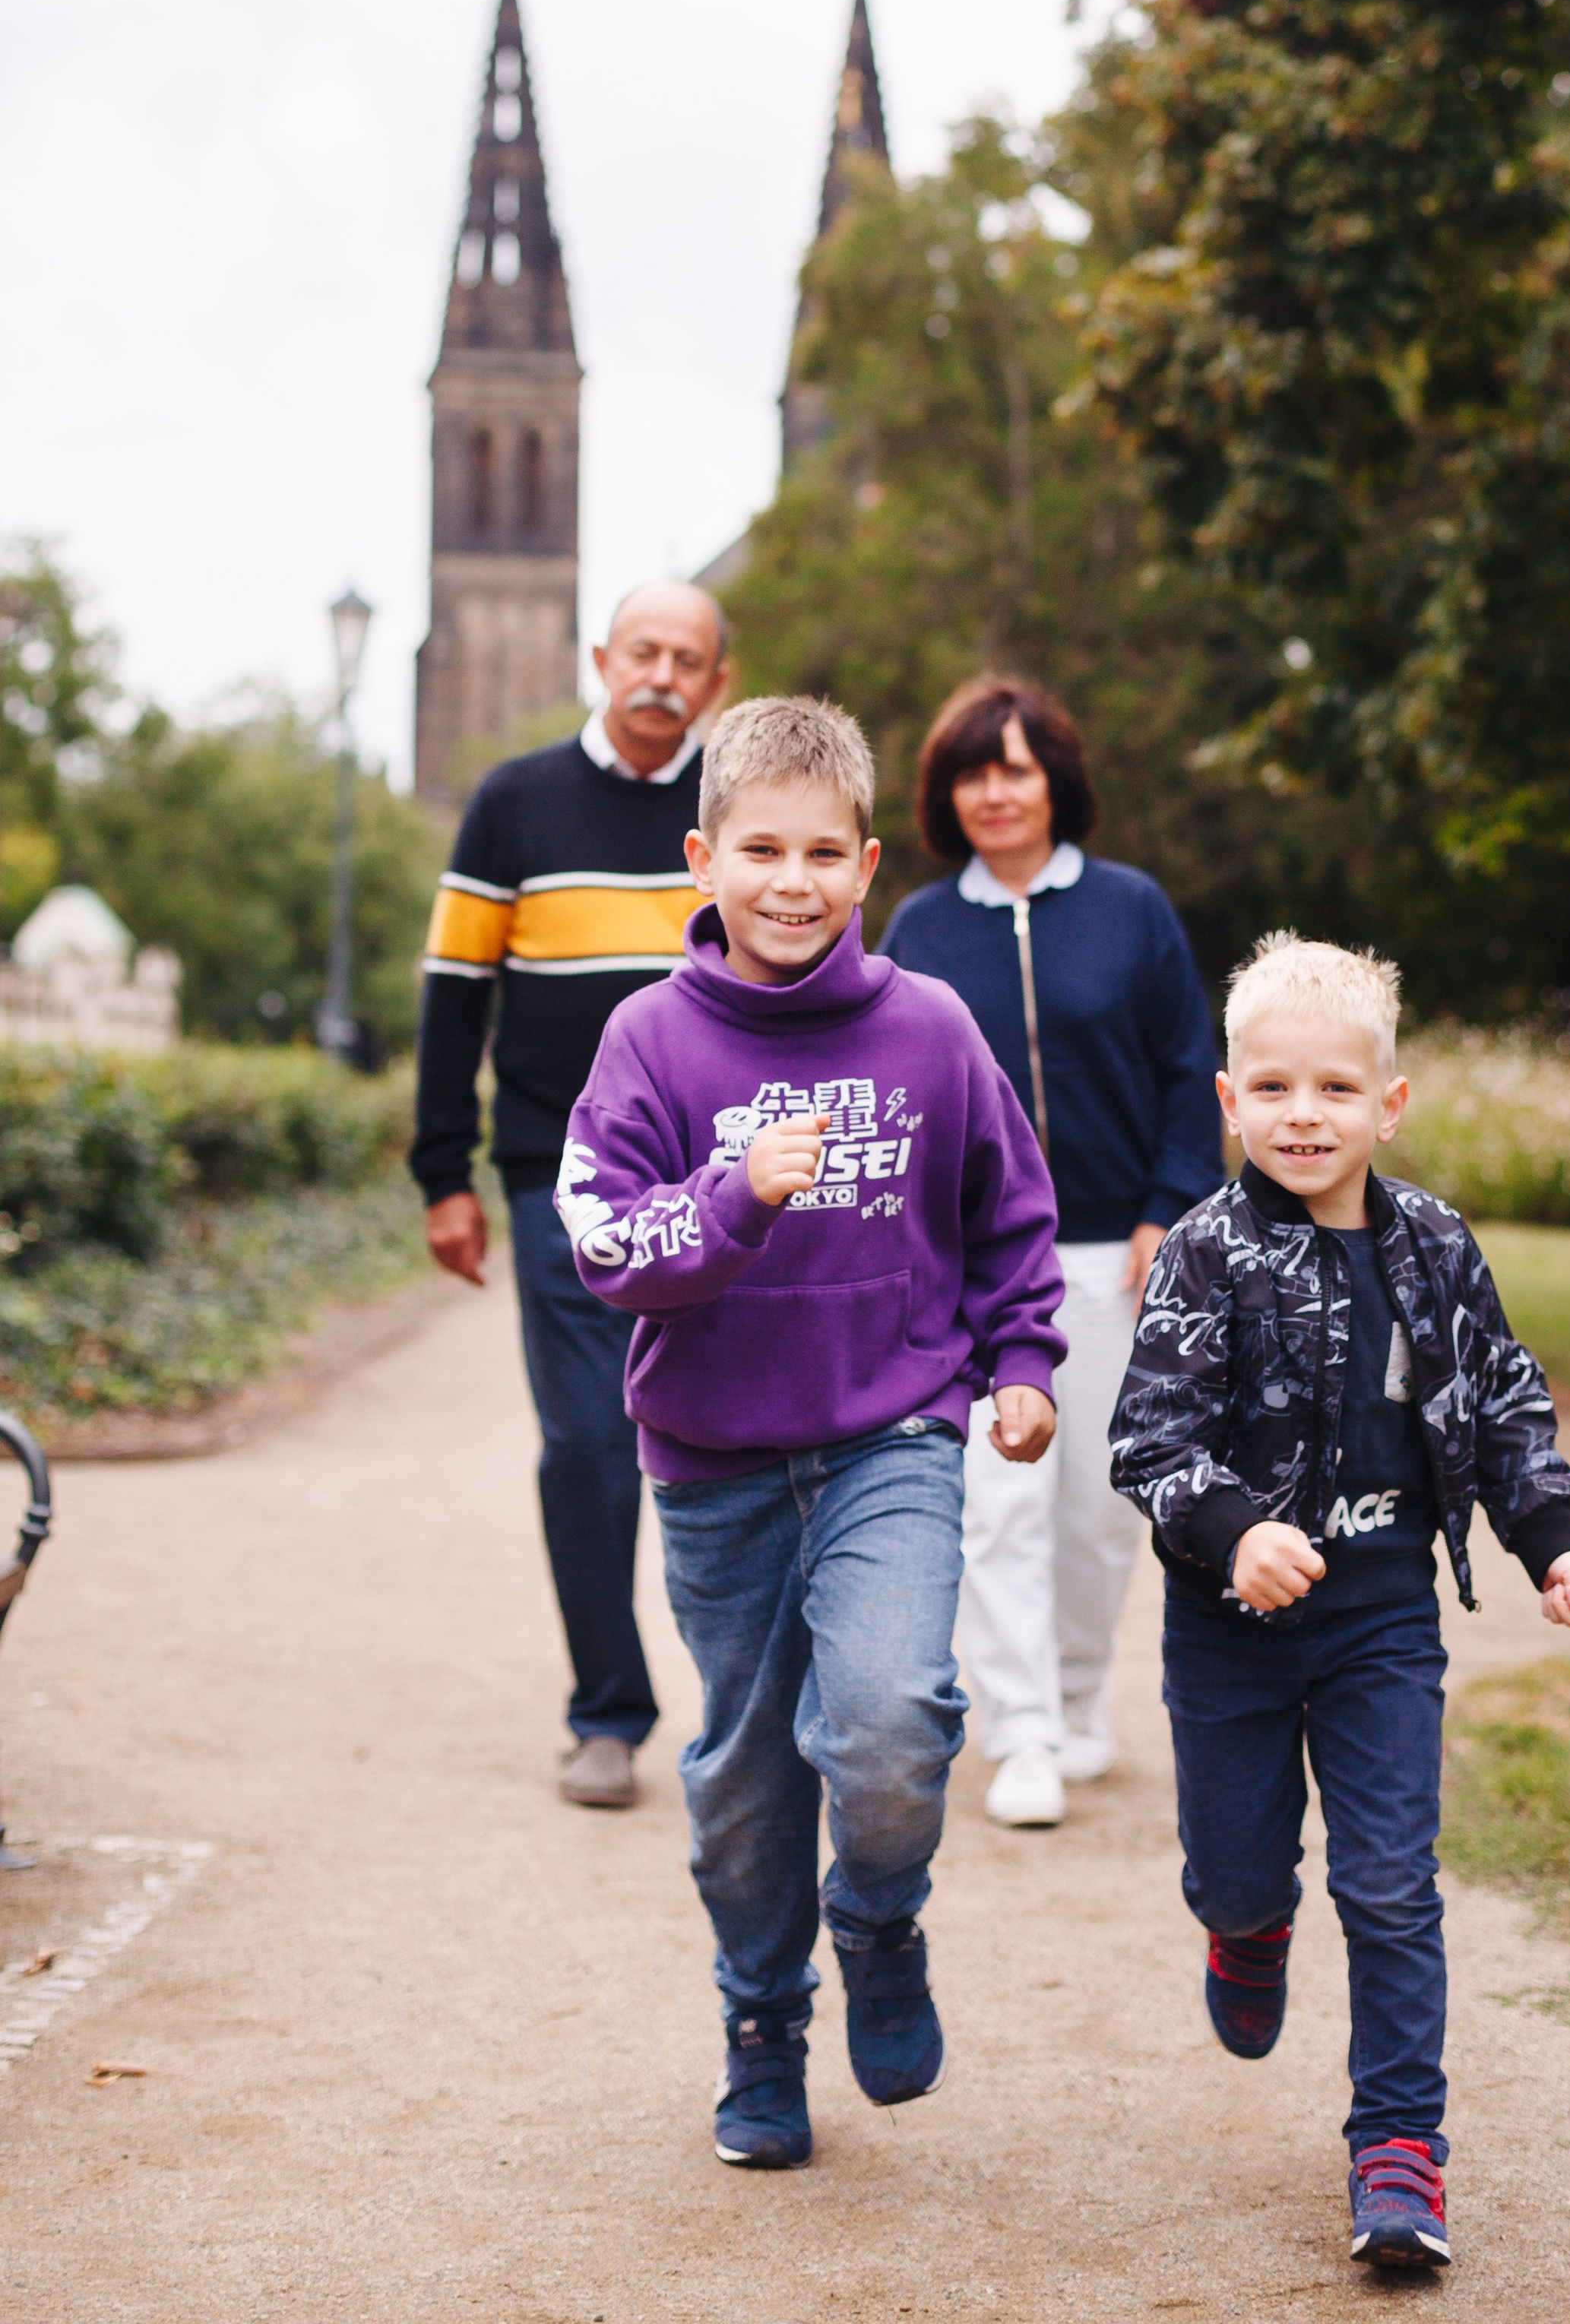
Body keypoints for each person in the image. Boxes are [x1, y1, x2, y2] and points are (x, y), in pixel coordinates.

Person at [556, 694, 1063, 2170]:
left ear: (862, 868)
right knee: (742, 1780)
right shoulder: (647, 1041)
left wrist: (1020, 1359)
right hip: (711, 1463)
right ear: (704, 857)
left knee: (892, 1717)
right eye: (759, 849)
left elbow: (1010, 1220)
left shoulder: (930, 1028)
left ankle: (878, 1921)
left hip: (887, 1436)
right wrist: (734, 1195)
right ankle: (762, 2024)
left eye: (820, 853)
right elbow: (602, 1242)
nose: (789, 881)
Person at [1109, 932, 1570, 2275]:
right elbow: (1148, 1443)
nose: (1304, 1116)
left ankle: (1399, 2145)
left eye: (1336, 1090)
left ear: (1387, 1105)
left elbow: (1504, 1399)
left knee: (1392, 1885)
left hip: (1386, 1613)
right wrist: (1231, 1535)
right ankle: (1247, 1925)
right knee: (1235, 1867)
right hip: (1232, 1630)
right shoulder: (1207, 1255)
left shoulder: (1436, 1244)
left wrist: (1550, 1538)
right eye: (1272, 1089)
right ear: (1228, 1101)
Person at [878, 677, 1222, 1828]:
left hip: (1113, 1258)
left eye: (1015, 769)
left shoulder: (1132, 909)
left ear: (1055, 782)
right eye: (973, 773)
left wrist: (1169, 1207)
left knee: (1097, 1506)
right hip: (976, 1273)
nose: (995, 793)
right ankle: (1020, 1729)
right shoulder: (921, 930)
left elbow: (1186, 1066)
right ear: (948, 795)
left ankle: (1081, 1702)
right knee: (997, 1505)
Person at [410, 581, 730, 1809]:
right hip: (565, 1179)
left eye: (687, 658)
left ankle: (760, 1711)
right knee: (592, 1446)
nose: (662, 673)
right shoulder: (513, 802)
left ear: (713, 677)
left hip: (735, 1183)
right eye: (643, 650)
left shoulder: (736, 810)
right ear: (602, 658)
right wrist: (447, 1172)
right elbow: (453, 990)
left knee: (752, 1441)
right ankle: (608, 1715)